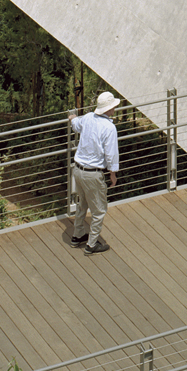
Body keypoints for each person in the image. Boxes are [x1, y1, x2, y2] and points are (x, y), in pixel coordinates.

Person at [65, 91, 121, 255]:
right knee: (99, 210)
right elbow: (111, 154)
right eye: (114, 106)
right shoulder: (109, 128)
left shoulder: (89, 117)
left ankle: (77, 235)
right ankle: (92, 244)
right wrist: (113, 173)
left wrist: (72, 117)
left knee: (82, 203)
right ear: (109, 109)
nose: (115, 108)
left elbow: (76, 125)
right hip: (93, 174)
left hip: (78, 170)